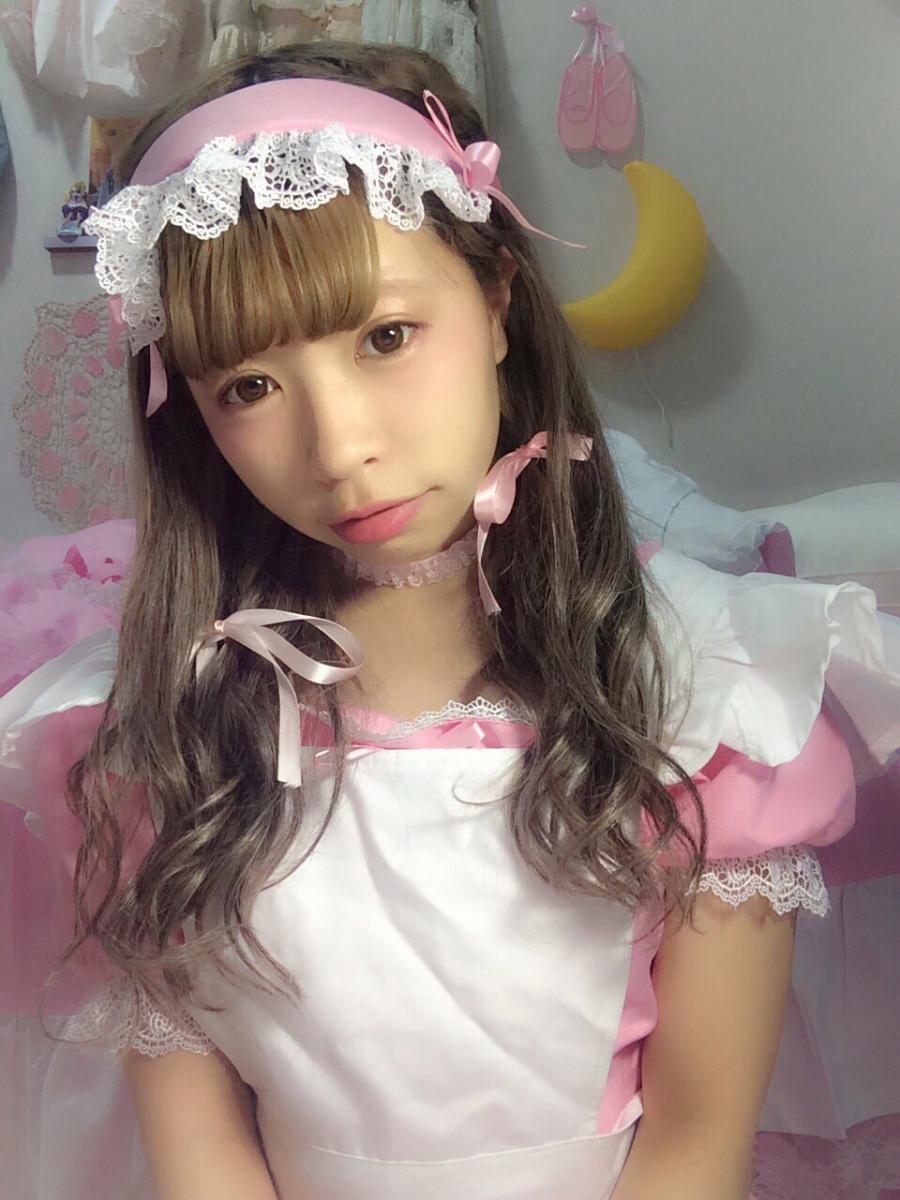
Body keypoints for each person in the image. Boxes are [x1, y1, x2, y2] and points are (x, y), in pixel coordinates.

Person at [1, 41, 897, 1200]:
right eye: (249, 387)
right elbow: (202, 1155)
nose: (341, 447)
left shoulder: (705, 694)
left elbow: (694, 1150)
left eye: (385, 337)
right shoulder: (155, 735)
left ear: (498, 302)